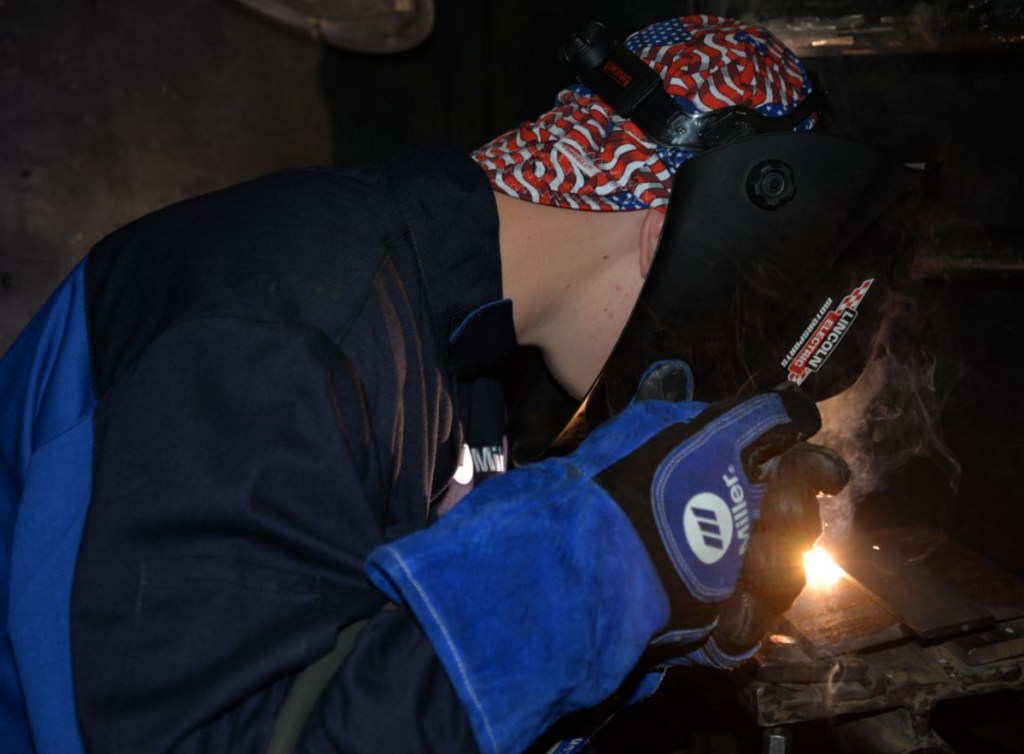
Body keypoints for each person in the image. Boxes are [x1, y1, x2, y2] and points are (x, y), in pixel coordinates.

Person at [0, 15, 851, 754]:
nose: (717, 367)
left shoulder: (451, 361)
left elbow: (380, 692)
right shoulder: (294, 316)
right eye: (739, 316)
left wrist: (655, 622)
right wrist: (603, 565)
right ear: (665, 231)